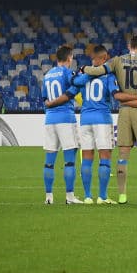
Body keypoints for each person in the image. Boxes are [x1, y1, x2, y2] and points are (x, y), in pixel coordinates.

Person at [83, 34, 137, 204]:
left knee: (123, 155)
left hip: (124, 111)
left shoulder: (117, 61)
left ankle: (122, 197)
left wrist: (83, 69)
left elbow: (111, 88)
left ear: (129, 45)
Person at [72, 45, 120, 204]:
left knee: (87, 158)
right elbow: (114, 93)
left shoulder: (85, 74)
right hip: (102, 119)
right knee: (105, 157)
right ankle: (102, 196)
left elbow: (75, 82)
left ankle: (87, 196)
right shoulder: (109, 75)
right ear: (105, 57)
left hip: (85, 119)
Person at [41, 46, 83, 205]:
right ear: (70, 58)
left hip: (50, 120)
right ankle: (70, 197)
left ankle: (49, 197)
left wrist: (50, 104)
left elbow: (44, 99)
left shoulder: (48, 75)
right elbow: (72, 92)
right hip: (66, 118)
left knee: (49, 161)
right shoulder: (67, 73)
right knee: (69, 161)